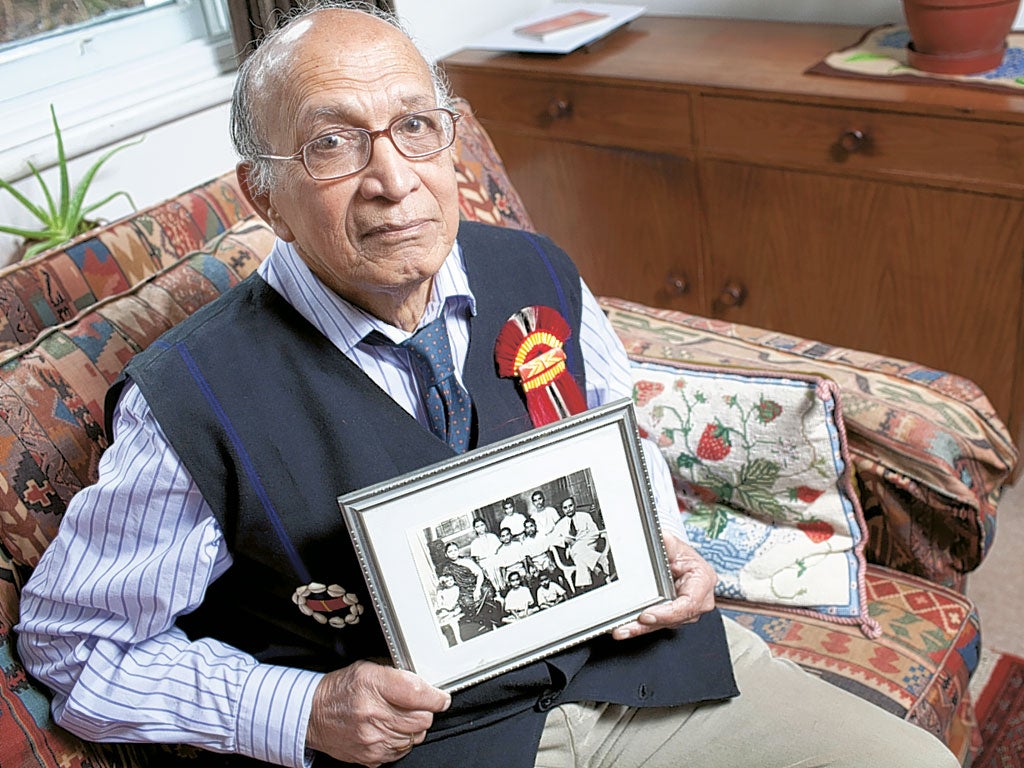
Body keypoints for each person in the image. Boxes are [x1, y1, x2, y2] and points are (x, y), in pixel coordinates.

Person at [15, 3, 961, 768]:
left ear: (449, 139)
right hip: (444, 748)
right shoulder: (189, 399)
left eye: (414, 127)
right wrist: (303, 708)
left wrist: (664, 547)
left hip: (647, 671)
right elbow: (73, 642)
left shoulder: (537, 270)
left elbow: (621, 438)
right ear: (264, 194)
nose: (393, 180)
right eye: (333, 144)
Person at [438, 542, 504, 639]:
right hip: (464, 590)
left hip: (477, 584)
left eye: (455, 550)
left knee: (487, 594)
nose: (453, 553)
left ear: (458, 551)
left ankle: (495, 621)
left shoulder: (467, 561)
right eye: (450, 551)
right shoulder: (447, 568)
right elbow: (445, 583)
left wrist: (477, 589)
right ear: (446, 554)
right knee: (467, 603)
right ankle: (486, 624)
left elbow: (479, 574)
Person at [552, 496, 605, 591]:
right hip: (575, 551)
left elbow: (595, 532)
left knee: (578, 555)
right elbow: (552, 539)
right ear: (562, 510)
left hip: (589, 545)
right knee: (578, 552)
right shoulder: (560, 524)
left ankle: (584, 587)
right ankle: (596, 569)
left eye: (570, 506)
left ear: (575, 505)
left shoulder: (585, 516)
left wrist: (581, 543)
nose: (568, 509)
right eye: (565, 508)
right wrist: (564, 539)